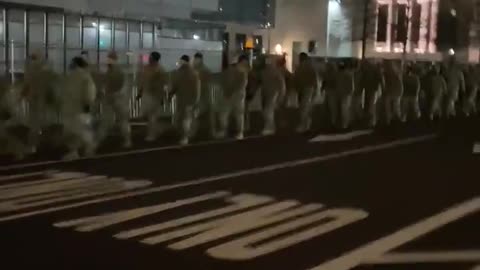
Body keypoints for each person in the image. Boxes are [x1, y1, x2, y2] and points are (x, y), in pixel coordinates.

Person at [22, 51, 59, 153]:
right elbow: (51, 86)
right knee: (45, 122)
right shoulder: (46, 72)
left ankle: (34, 146)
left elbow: (26, 86)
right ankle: (48, 143)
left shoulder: (30, 71)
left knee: (35, 123)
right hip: (43, 101)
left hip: (35, 100)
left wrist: (22, 96)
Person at [61, 57, 97, 160]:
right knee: (77, 131)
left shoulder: (82, 76)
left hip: (77, 108)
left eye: (73, 63)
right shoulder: (76, 76)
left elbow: (89, 91)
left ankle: (83, 149)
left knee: (78, 131)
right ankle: (79, 151)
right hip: (75, 108)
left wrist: (87, 104)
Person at [97, 51, 131, 148]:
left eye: (109, 59)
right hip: (113, 98)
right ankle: (127, 140)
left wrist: (115, 95)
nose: (107, 61)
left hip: (117, 99)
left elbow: (123, 86)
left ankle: (127, 140)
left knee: (121, 121)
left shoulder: (116, 71)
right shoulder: (111, 71)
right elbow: (106, 85)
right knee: (114, 121)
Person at [137, 51, 168, 142]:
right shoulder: (146, 68)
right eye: (149, 57)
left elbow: (164, 84)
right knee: (144, 115)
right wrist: (140, 92)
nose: (149, 59)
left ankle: (152, 134)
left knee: (152, 116)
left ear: (155, 59)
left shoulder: (160, 70)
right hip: (146, 94)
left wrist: (162, 97)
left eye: (151, 57)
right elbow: (143, 81)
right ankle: (158, 129)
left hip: (155, 95)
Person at [217, 54, 249, 140]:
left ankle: (229, 131)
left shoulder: (235, 71)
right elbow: (241, 84)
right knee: (236, 115)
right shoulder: (242, 71)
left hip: (234, 95)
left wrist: (227, 92)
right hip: (236, 95)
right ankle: (238, 132)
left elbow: (224, 81)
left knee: (227, 114)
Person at [171, 55, 201, 145]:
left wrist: (170, 94)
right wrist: (196, 101)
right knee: (186, 120)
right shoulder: (194, 73)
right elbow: (197, 89)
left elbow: (175, 86)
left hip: (181, 100)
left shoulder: (178, 72)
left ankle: (184, 137)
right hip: (190, 100)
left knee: (181, 120)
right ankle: (186, 136)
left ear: (182, 61)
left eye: (180, 61)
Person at [258, 56, 286, 135]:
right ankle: (270, 126)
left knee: (268, 111)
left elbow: (282, 85)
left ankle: (269, 127)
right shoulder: (264, 72)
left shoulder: (276, 72)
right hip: (267, 94)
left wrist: (281, 95)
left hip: (273, 94)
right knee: (266, 111)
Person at [294, 52, 318, 133]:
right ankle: (306, 124)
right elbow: (315, 80)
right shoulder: (311, 67)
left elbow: (296, 78)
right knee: (306, 107)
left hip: (305, 89)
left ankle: (304, 125)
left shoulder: (301, 67)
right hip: (309, 89)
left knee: (303, 108)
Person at [192, 52, 214, 137]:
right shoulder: (196, 69)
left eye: (197, 59)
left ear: (200, 59)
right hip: (201, 96)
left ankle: (193, 132)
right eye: (195, 59)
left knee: (199, 114)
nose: (195, 61)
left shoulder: (203, 70)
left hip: (203, 96)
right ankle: (210, 131)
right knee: (206, 115)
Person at [361, 60, 384, 127]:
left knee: (370, 106)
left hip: (371, 90)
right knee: (370, 106)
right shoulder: (375, 70)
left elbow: (381, 80)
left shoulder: (367, 70)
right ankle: (371, 122)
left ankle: (371, 122)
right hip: (372, 89)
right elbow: (381, 80)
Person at [334, 62, 354, 129]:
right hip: (345, 94)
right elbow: (350, 86)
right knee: (344, 109)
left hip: (342, 94)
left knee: (343, 110)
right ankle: (345, 124)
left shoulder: (338, 75)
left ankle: (344, 124)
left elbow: (335, 85)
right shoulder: (347, 75)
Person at [383, 60, 403, 125]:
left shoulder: (386, 73)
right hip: (395, 91)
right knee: (396, 107)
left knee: (389, 107)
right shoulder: (397, 73)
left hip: (390, 91)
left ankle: (389, 120)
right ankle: (396, 120)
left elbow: (385, 83)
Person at [323, 62, 338, 128]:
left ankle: (333, 121)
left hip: (331, 92)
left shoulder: (333, 74)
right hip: (329, 92)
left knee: (332, 107)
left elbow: (327, 82)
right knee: (330, 107)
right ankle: (331, 121)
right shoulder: (331, 73)